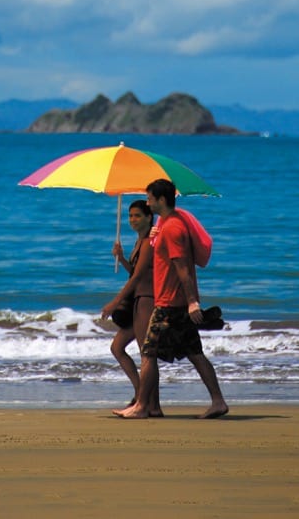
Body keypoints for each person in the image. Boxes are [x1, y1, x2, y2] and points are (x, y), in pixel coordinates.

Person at [113, 178, 228, 420]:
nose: (147, 202)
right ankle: (218, 401)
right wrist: (154, 237)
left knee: (148, 353)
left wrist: (192, 301)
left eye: (150, 199)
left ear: (161, 200)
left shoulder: (173, 228)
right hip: (176, 303)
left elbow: (182, 267)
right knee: (195, 353)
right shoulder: (167, 224)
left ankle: (143, 406)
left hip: (169, 303)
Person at [101, 200, 162, 417]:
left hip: (147, 300)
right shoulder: (139, 243)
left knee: (147, 355)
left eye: (137, 216)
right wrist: (122, 258)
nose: (132, 220)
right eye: (130, 216)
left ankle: (149, 404)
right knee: (117, 347)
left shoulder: (148, 243)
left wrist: (115, 302)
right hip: (138, 300)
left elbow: (137, 278)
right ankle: (142, 396)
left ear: (148, 217)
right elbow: (135, 271)